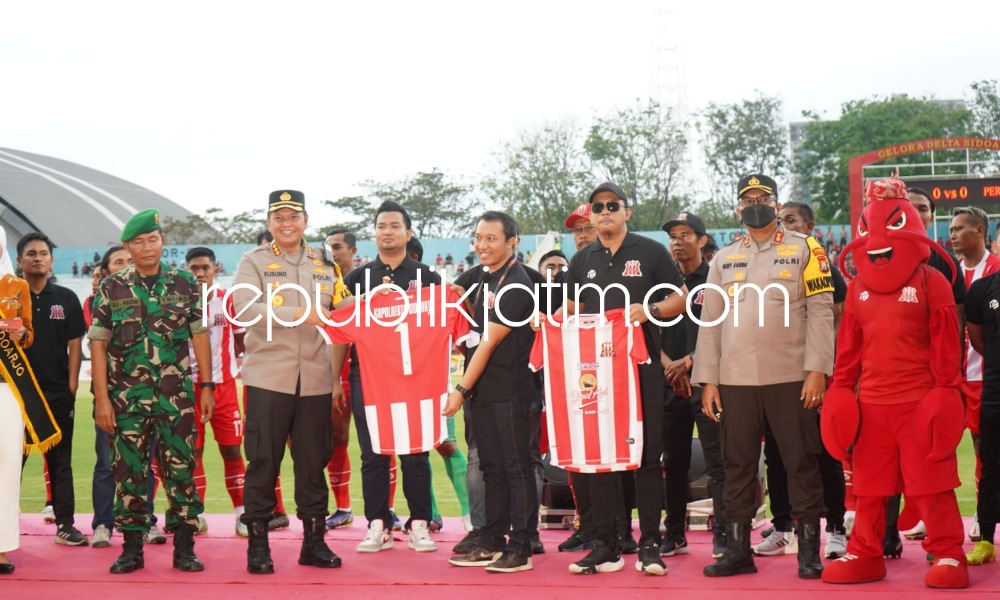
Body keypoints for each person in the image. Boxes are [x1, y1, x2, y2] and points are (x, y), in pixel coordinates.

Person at [821, 178, 968, 589]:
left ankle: (949, 551)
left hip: (919, 402)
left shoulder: (931, 281)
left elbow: (946, 346)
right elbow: (848, 349)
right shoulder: (857, 290)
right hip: (872, 405)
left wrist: (944, 392)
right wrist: (839, 390)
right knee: (869, 488)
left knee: (932, 484)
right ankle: (866, 552)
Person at [694, 174, 834, 580]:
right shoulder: (724, 258)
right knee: (737, 464)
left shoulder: (806, 248)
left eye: (763, 197)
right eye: (747, 199)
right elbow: (710, 322)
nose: (755, 203)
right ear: (738, 208)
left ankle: (809, 551)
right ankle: (738, 551)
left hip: (791, 375)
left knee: (800, 462)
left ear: (775, 203)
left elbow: (822, 311)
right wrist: (709, 380)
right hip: (735, 380)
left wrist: (817, 370)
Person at [561, 182, 688, 576]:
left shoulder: (650, 252)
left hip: (642, 369)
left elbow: (681, 297)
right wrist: (553, 323)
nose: (604, 212)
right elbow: (569, 309)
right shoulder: (582, 259)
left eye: (612, 206)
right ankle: (605, 545)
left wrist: (648, 310)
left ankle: (650, 543)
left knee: (647, 458)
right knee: (601, 459)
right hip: (595, 374)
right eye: (597, 207)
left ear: (626, 212)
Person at [89, 209, 214, 574]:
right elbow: (98, 345)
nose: (146, 247)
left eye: (153, 239)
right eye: (138, 242)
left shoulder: (185, 282)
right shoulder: (112, 287)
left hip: (176, 398)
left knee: (181, 470)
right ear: (127, 246)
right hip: (126, 399)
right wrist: (101, 399)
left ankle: (185, 546)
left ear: (162, 242)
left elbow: (200, 336)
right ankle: (131, 548)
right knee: (128, 472)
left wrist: (206, 386)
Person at [232, 190, 342, 573]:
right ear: (268, 223)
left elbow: (342, 309)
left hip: (315, 377)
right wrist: (301, 312)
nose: (286, 223)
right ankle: (258, 546)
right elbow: (244, 307)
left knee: (313, 462)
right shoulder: (253, 261)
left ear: (306, 221)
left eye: (292, 217)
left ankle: (314, 543)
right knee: (263, 461)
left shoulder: (325, 263)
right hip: (268, 377)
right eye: (278, 217)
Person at [336, 201, 438, 554]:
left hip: (414, 378)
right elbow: (343, 330)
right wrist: (338, 378)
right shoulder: (356, 279)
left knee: (415, 453)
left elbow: (436, 330)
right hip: (367, 377)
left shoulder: (428, 277)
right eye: (381, 226)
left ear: (408, 233)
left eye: (395, 226)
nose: (388, 231)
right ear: (375, 233)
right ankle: (378, 524)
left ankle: (420, 524)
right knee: (373, 454)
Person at [752, 203, 849, 560]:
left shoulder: (819, 260)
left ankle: (836, 529)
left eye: (791, 220)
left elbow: (836, 316)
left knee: (823, 454)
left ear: (809, 226)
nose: (785, 226)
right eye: (782, 220)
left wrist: (821, 368)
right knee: (776, 454)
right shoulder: (767, 263)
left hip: (814, 375)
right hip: (777, 375)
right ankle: (782, 527)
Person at [445, 210, 538, 573]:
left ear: (512, 242)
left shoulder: (517, 283)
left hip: (511, 390)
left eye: (491, 238)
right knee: (493, 468)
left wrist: (460, 390)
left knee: (516, 469)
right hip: (485, 392)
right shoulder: (482, 279)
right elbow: (465, 313)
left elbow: (487, 343)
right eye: (478, 238)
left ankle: (521, 546)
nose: (482, 245)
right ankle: (491, 541)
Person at [895, 188, 966, 547]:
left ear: (931, 216)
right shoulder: (881, 257)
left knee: (933, 456)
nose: (919, 214)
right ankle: (887, 536)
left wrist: (948, 379)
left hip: (931, 380)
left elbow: (957, 324)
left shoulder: (943, 263)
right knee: (889, 461)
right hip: (890, 381)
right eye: (913, 207)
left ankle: (940, 538)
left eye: (924, 208)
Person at [659, 212, 727, 560]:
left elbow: (724, 329)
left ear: (702, 240)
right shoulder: (661, 281)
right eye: (673, 235)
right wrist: (668, 364)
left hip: (706, 383)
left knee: (718, 462)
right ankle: (673, 533)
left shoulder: (715, 278)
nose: (677, 241)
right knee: (673, 462)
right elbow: (643, 328)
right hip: (668, 382)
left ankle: (724, 533)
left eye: (686, 234)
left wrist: (688, 361)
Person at [17, 233, 88, 547]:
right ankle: (4, 526)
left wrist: (72, 386)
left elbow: (75, 345)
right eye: (30, 253)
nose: (37, 257)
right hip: (16, 396)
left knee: (61, 462)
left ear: (51, 260)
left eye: (43, 253)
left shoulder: (66, 298)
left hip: (58, 393)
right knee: (10, 462)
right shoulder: (8, 299)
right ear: (19, 261)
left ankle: (66, 524)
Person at [185, 247, 248, 537]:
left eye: (205, 268)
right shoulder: (179, 305)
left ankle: (242, 514)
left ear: (215, 270)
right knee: (192, 453)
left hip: (224, 389)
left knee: (232, 451)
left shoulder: (228, 302)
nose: (199, 273)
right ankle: (197, 515)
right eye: (194, 268)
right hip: (188, 390)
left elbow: (241, 341)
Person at [950, 206, 1000, 543]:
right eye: (950, 228)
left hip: (985, 377)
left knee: (986, 451)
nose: (952, 234)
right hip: (952, 378)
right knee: (939, 450)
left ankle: (983, 519)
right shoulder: (948, 272)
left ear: (980, 231)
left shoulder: (995, 271)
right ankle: (936, 518)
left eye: (959, 228)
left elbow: (981, 338)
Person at [0, 229, 37, 575]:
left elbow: (29, 335)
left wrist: (20, 333)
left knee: (8, 464)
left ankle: (1, 547)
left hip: (7, 388)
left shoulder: (17, 287)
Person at [322, 228, 358, 530]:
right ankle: (343, 507)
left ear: (352, 251)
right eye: (328, 247)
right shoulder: (321, 284)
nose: (332, 252)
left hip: (363, 372)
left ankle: (387, 511)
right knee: (336, 440)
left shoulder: (368, 282)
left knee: (379, 444)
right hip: (330, 372)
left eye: (337, 246)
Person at [965, 271, 1000, 566]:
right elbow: (979, 342)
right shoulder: (982, 289)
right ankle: (986, 540)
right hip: (995, 392)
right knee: (991, 468)